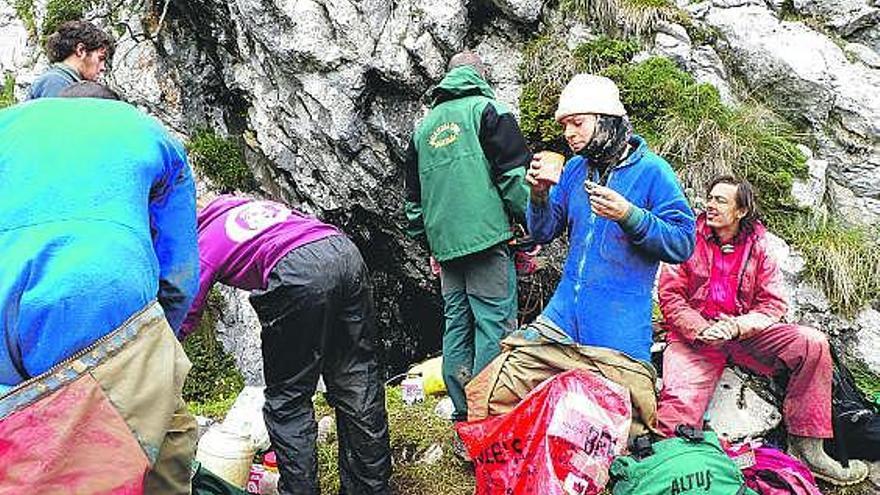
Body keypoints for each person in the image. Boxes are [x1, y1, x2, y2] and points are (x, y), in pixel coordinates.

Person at [0, 89, 199, 492]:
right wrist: (156, 351)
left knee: (19, 451)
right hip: (95, 298)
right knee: (163, 439)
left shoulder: (7, 125)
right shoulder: (148, 132)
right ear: (114, 105)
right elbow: (178, 273)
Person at [656, 175, 869, 485]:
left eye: (721, 200)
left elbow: (772, 303)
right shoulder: (688, 237)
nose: (710, 205)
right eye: (710, 198)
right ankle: (669, 474)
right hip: (697, 339)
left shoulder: (760, 245)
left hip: (743, 335)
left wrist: (739, 326)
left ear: (741, 210)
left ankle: (807, 448)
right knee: (679, 407)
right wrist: (702, 329)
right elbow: (671, 296)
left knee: (811, 343)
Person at [514, 74, 696, 436]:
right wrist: (537, 195)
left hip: (619, 319)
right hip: (564, 313)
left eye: (577, 123)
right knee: (502, 388)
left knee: (626, 425)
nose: (568, 133)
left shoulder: (653, 171)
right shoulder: (576, 169)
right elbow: (543, 232)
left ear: (607, 121)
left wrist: (630, 216)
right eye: (565, 125)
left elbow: (682, 242)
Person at [181, 195, 392, 495]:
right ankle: (372, 490)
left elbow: (185, 308)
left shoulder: (202, 242)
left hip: (297, 273)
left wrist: (161, 351)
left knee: (288, 401)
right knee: (357, 381)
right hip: (342, 250)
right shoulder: (239, 205)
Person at [403, 51, 531, 427]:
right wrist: (529, 222)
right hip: (488, 241)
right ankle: (488, 414)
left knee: (457, 326)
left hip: (445, 249)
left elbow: (414, 201)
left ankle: (463, 414)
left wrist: (429, 246)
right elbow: (513, 177)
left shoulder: (423, 130)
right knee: (494, 324)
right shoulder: (489, 111)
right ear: (482, 75)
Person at [27, 20, 114, 100]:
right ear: (81, 50)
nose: (103, 67)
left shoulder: (62, 81)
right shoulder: (55, 82)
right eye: (101, 58)